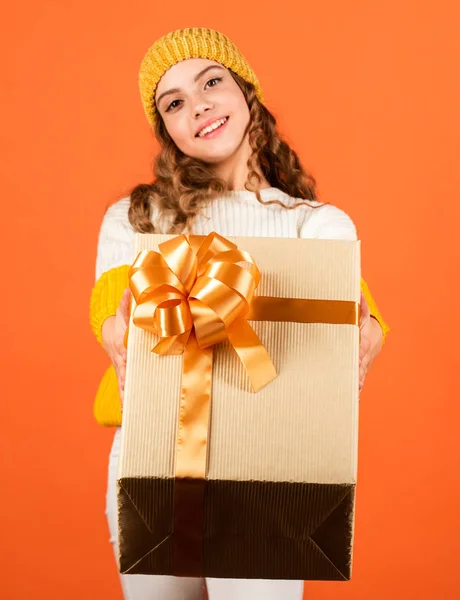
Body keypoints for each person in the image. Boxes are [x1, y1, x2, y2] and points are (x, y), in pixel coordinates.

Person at [90, 27, 389, 600]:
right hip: (152, 455)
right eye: (174, 102)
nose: (197, 104)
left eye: (211, 82)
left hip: (270, 458)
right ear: (167, 130)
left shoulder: (314, 222)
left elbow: (350, 303)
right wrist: (115, 332)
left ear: (245, 91)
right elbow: (109, 303)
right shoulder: (140, 217)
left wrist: (370, 329)